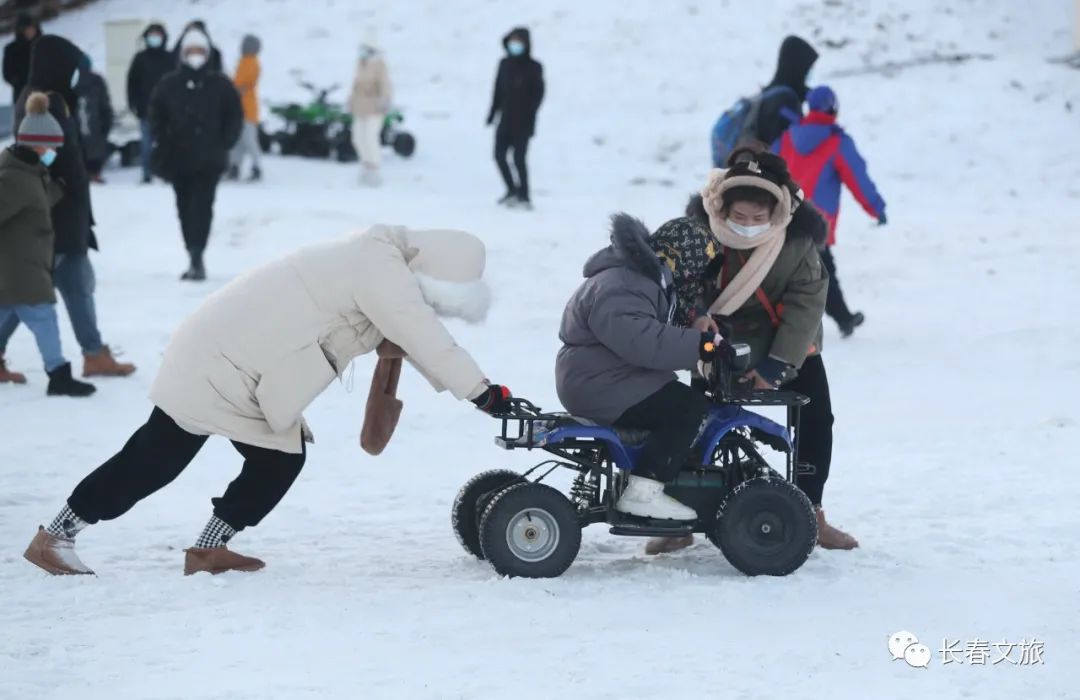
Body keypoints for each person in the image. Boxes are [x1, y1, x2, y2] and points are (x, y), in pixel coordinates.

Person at [23, 225, 514, 576]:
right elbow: (423, 334)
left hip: (250, 366)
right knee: (156, 459)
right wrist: (484, 394)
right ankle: (54, 538)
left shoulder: (383, 261)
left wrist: (479, 392)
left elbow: (413, 333)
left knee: (279, 460)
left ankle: (208, 550)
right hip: (220, 360)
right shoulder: (379, 269)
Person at [645, 148, 858, 553]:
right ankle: (679, 515)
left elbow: (807, 305)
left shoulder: (797, 244)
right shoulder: (701, 233)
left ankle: (811, 510)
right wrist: (697, 322)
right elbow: (684, 287)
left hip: (789, 345)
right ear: (721, 207)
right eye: (739, 217)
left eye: (757, 219)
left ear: (776, 211)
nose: (747, 226)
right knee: (688, 418)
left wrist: (776, 367)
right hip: (717, 341)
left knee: (817, 419)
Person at [556, 214, 733, 520]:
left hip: (606, 375)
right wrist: (702, 346)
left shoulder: (637, 280)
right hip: (600, 383)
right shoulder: (624, 285)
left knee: (679, 400)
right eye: (697, 273)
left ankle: (651, 472)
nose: (695, 282)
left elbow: (654, 322)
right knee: (686, 408)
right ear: (683, 261)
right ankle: (644, 489)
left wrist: (697, 324)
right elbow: (644, 341)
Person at [1, 36, 136, 381]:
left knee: (29, 294)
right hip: (54, 214)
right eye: (73, 67)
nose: (77, 74)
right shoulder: (45, 103)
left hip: (59, 212)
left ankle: (93, 353)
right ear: (58, 66)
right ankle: (93, 354)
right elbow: (40, 160)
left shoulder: (46, 98)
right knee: (64, 288)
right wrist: (60, 193)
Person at [0, 93, 95, 396]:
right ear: (36, 143)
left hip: (21, 268)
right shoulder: (14, 178)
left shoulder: (31, 173)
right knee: (45, 318)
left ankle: (58, 374)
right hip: (21, 269)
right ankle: (58, 374)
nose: (54, 151)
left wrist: (59, 190)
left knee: (9, 315)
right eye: (51, 146)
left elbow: (34, 203)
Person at [774, 85, 886, 337]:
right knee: (822, 273)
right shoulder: (837, 142)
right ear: (833, 109)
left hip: (784, 217)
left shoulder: (788, 137)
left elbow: (768, 167)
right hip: (816, 223)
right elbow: (859, 180)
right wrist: (877, 209)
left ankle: (842, 317)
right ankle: (842, 319)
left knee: (797, 271)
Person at [149, 28, 243, 281]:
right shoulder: (169, 84)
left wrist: (225, 141)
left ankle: (197, 255)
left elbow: (234, 115)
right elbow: (155, 114)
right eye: (190, 51)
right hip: (178, 159)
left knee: (203, 207)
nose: (195, 56)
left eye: (200, 51)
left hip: (209, 160)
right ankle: (191, 250)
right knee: (184, 208)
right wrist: (162, 139)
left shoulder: (220, 84)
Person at [486, 27, 544, 209]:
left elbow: (539, 94)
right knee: (499, 155)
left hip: (524, 123)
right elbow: (497, 90)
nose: (515, 45)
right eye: (512, 41)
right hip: (505, 120)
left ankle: (524, 196)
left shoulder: (534, 67)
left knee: (519, 158)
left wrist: (530, 112)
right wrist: (492, 112)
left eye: (519, 41)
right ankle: (512, 189)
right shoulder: (504, 64)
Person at [126, 22, 173, 184]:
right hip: (145, 109)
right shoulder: (140, 58)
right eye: (152, 35)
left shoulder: (170, 58)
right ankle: (146, 173)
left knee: (167, 143)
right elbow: (131, 83)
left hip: (167, 111)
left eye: (158, 35)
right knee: (146, 144)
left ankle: (167, 172)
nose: (155, 38)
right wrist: (133, 104)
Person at [347, 34, 392, 186]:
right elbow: (355, 86)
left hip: (374, 107)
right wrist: (350, 101)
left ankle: (374, 168)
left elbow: (386, 85)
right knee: (357, 138)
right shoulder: (360, 64)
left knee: (370, 137)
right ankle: (365, 165)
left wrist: (385, 100)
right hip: (360, 107)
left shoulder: (380, 65)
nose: (362, 52)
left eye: (365, 49)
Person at [226, 34, 262, 182]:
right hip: (238, 108)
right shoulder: (243, 62)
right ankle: (235, 166)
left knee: (249, 140)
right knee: (237, 140)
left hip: (248, 109)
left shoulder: (252, 63)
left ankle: (256, 166)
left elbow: (245, 84)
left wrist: (233, 89)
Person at [75, 55, 114, 184]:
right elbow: (105, 102)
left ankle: (89, 172)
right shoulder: (96, 80)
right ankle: (93, 173)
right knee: (94, 147)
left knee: (86, 145)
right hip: (94, 120)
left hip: (89, 119)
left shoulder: (77, 81)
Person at [2, 13, 40, 105]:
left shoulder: (43, 46)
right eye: (27, 28)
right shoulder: (11, 49)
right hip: (22, 95)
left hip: (43, 93)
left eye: (32, 27)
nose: (30, 31)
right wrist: (20, 83)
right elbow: (7, 73)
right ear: (21, 30)